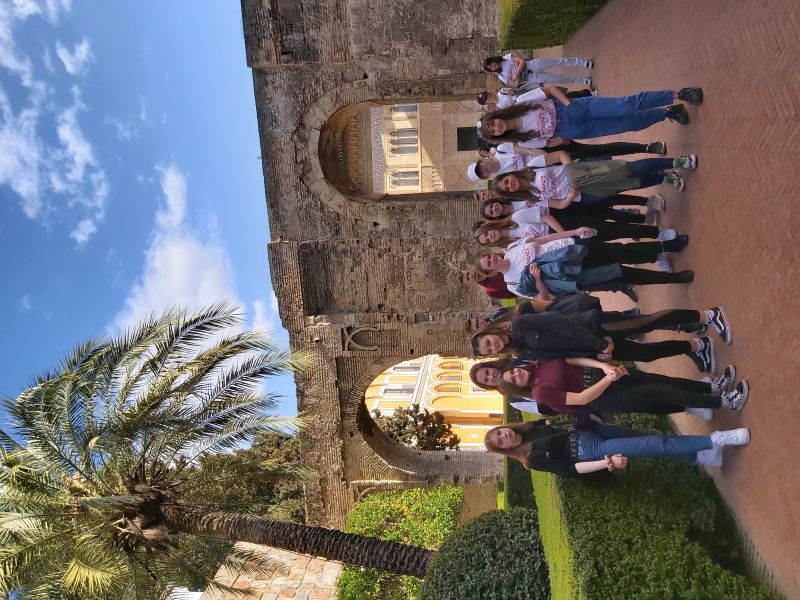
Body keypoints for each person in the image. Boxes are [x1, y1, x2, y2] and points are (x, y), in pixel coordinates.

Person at [470, 310, 724, 374]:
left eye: (488, 342)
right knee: (646, 355)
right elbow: (562, 357)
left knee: (646, 322)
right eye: (489, 350)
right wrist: (597, 356)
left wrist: (598, 342)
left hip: (594, 327)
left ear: (489, 332)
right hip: (595, 347)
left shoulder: (521, 323)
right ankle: (696, 347)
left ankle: (708, 316)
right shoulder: (521, 353)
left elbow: (563, 324)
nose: (493, 346)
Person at [497, 359, 747, 420]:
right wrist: (608, 379)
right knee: (660, 391)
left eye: (513, 371)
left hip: (604, 374)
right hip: (606, 395)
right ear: (518, 387)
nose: (517, 375)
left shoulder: (539, 365)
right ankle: (724, 402)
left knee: (660, 379)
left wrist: (604, 367)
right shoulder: (540, 393)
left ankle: (711, 387)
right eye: (513, 380)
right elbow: (581, 398)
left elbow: (573, 360)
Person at [484, 420, 751, 475]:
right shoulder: (532, 460)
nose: (505, 436)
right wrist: (607, 463)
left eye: (500, 432)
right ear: (504, 450)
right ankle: (717, 439)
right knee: (654, 444)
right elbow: (572, 470)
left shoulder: (530, 428)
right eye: (501, 441)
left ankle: (701, 457)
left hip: (592, 430)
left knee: (648, 441)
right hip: (593, 450)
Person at [478, 85, 703, 148]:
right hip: (573, 130)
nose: (496, 127)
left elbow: (549, 89)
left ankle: (678, 95)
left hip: (570, 109)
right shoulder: (521, 140)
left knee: (626, 105)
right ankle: (667, 113)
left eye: (492, 124)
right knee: (628, 124)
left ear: (495, 117)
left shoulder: (520, 103)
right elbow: (547, 143)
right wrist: (565, 137)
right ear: (497, 136)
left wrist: (568, 103)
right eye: (492, 132)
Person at [472, 235, 692, 299]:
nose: (492, 260)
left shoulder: (512, 248)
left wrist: (573, 233)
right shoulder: (513, 285)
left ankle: (666, 246)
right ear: (490, 272)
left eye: (489, 256)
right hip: (575, 274)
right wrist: (537, 279)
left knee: (620, 250)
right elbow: (543, 299)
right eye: (489, 264)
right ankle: (673, 279)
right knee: (624, 273)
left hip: (572, 249)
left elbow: (544, 240)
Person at [492, 157, 697, 210]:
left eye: (507, 181)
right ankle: (664, 178)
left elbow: (560, 154)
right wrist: (570, 197)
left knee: (627, 168)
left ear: (509, 175)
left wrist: (572, 170)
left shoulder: (532, 167)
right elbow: (558, 205)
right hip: (584, 193)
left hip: (581, 173)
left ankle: (676, 162)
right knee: (629, 184)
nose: (511, 185)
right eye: (507, 189)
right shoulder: (533, 198)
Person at [482, 53, 593, 87]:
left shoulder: (505, 58)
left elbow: (522, 61)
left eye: (490, 64)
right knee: (559, 79)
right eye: (490, 68)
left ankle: (583, 63)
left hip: (533, 65)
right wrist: (517, 72)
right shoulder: (501, 76)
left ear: (492, 60)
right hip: (532, 78)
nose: (493, 66)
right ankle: (583, 80)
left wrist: (516, 74)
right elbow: (516, 84)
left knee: (559, 61)